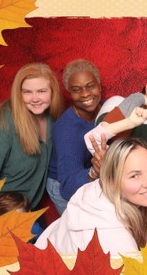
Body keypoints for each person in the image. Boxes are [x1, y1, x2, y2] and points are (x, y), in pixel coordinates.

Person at [0, 63, 65, 209]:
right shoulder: (0, 122)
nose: (35, 98)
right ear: (18, 93)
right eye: (27, 92)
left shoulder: (54, 119)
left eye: (42, 91)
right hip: (0, 213)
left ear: (52, 92)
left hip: (30, 208)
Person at [47, 60, 105, 215]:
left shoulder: (108, 109)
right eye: (76, 90)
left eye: (90, 86)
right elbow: (67, 187)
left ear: (99, 86)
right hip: (63, 183)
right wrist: (94, 171)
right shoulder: (66, 130)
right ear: (69, 93)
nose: (85, 94)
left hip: (91, 173)